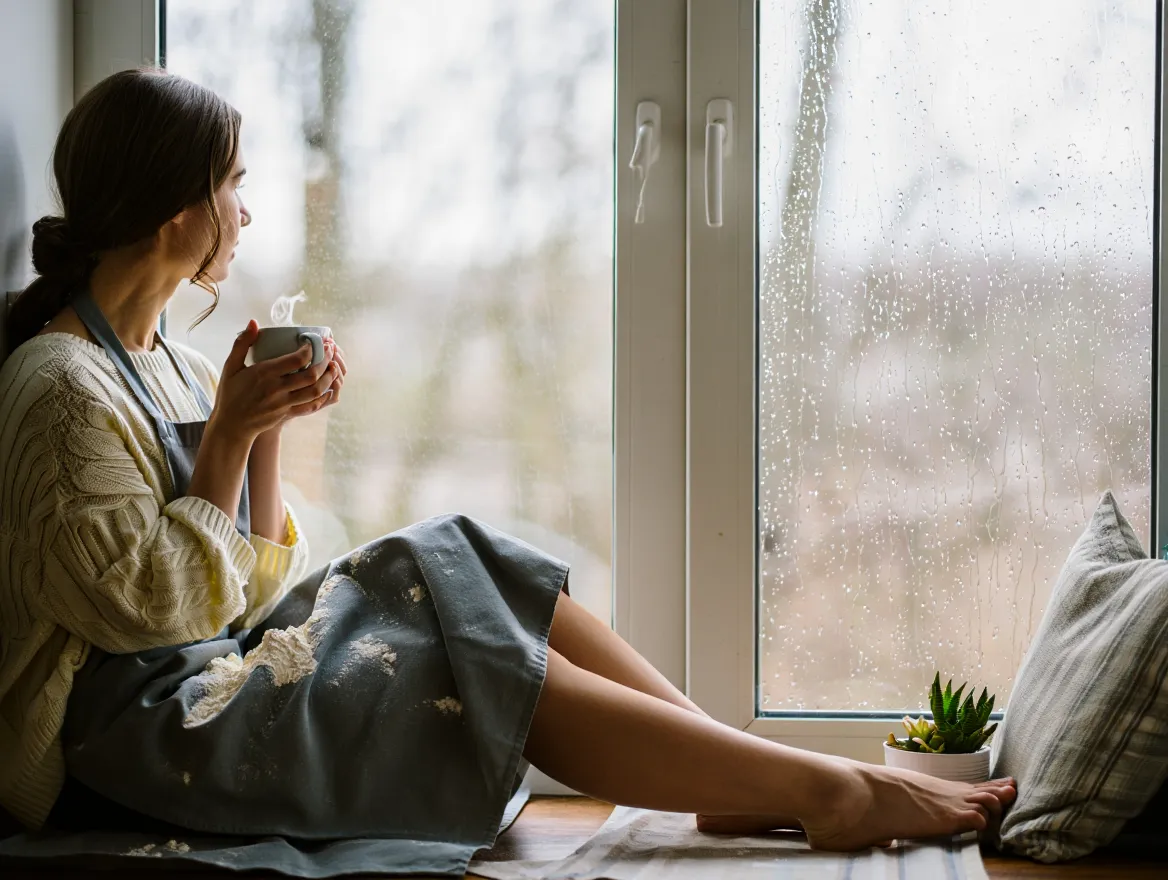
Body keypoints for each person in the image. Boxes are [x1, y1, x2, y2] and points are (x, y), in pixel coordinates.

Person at [0, 69, 1015, 864]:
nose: (245, 213)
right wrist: (226, 437)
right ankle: (818, 789)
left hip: (205, 669)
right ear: (177, 211)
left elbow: (244, 580)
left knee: (458, 550)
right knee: (460, 654)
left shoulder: (163, 357)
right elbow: (150, 615)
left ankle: (732, 768)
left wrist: (262, 430)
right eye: (232, 186)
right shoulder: (57, 387)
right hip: (126, 741)